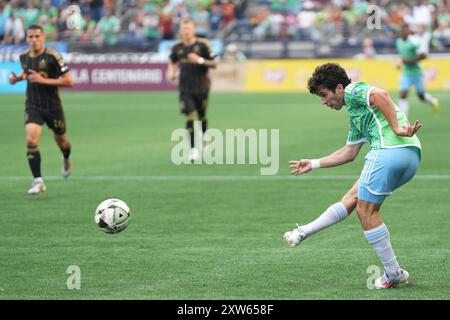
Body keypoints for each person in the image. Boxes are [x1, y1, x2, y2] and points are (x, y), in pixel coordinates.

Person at [283, 63, 422, 289]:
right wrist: (314, 163)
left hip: (388, 150)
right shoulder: (356, 113)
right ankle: (302, 232)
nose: (324, 101)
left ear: (339, 88)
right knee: (353, 198)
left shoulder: (352, 90)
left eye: (324, 95)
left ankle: (393, 272)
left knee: (365, 211)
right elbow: (349, 153)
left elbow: (380, 94)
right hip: (409, 156)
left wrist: (395, 128)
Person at [9, 24, 73, 195]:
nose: (34, 40)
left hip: (53, 106)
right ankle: (38, 181)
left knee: (63, 142)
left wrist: (43, 81)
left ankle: (66, 157)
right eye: (30, 37)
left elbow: (69, 81)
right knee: (31, 140)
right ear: (26, 38)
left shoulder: (53, 56)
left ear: (44, 37)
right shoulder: (23, 56)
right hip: (33, 104)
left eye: (37, 36)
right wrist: (18, 79)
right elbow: (26, 73)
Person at [167, 18, 217, 161]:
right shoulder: (177, 47)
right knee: (190, 115)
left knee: (201, 116)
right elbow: (172, 62)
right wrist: (171, 72)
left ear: (194, 29)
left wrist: (200, 60)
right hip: (185, 89)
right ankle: (193, 150)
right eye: (184, 28)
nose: (186, 31)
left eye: (188, 28)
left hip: (202, 87)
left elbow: (214, 64)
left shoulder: (203, 45)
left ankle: (205, 139)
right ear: (180, 30)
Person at [396, 24, 440, 118]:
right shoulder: (398, 42)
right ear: (401, 32)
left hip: (416, 72)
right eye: (404, 30)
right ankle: (403, 120)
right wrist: (400, 63)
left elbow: (424, 56)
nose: (406, 32)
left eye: (408, 30)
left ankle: (433, 101)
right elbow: (402, 55)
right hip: (406, 72)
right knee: (403, 94)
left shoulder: (414, 42)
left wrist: (410, 61)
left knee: (421, 95)